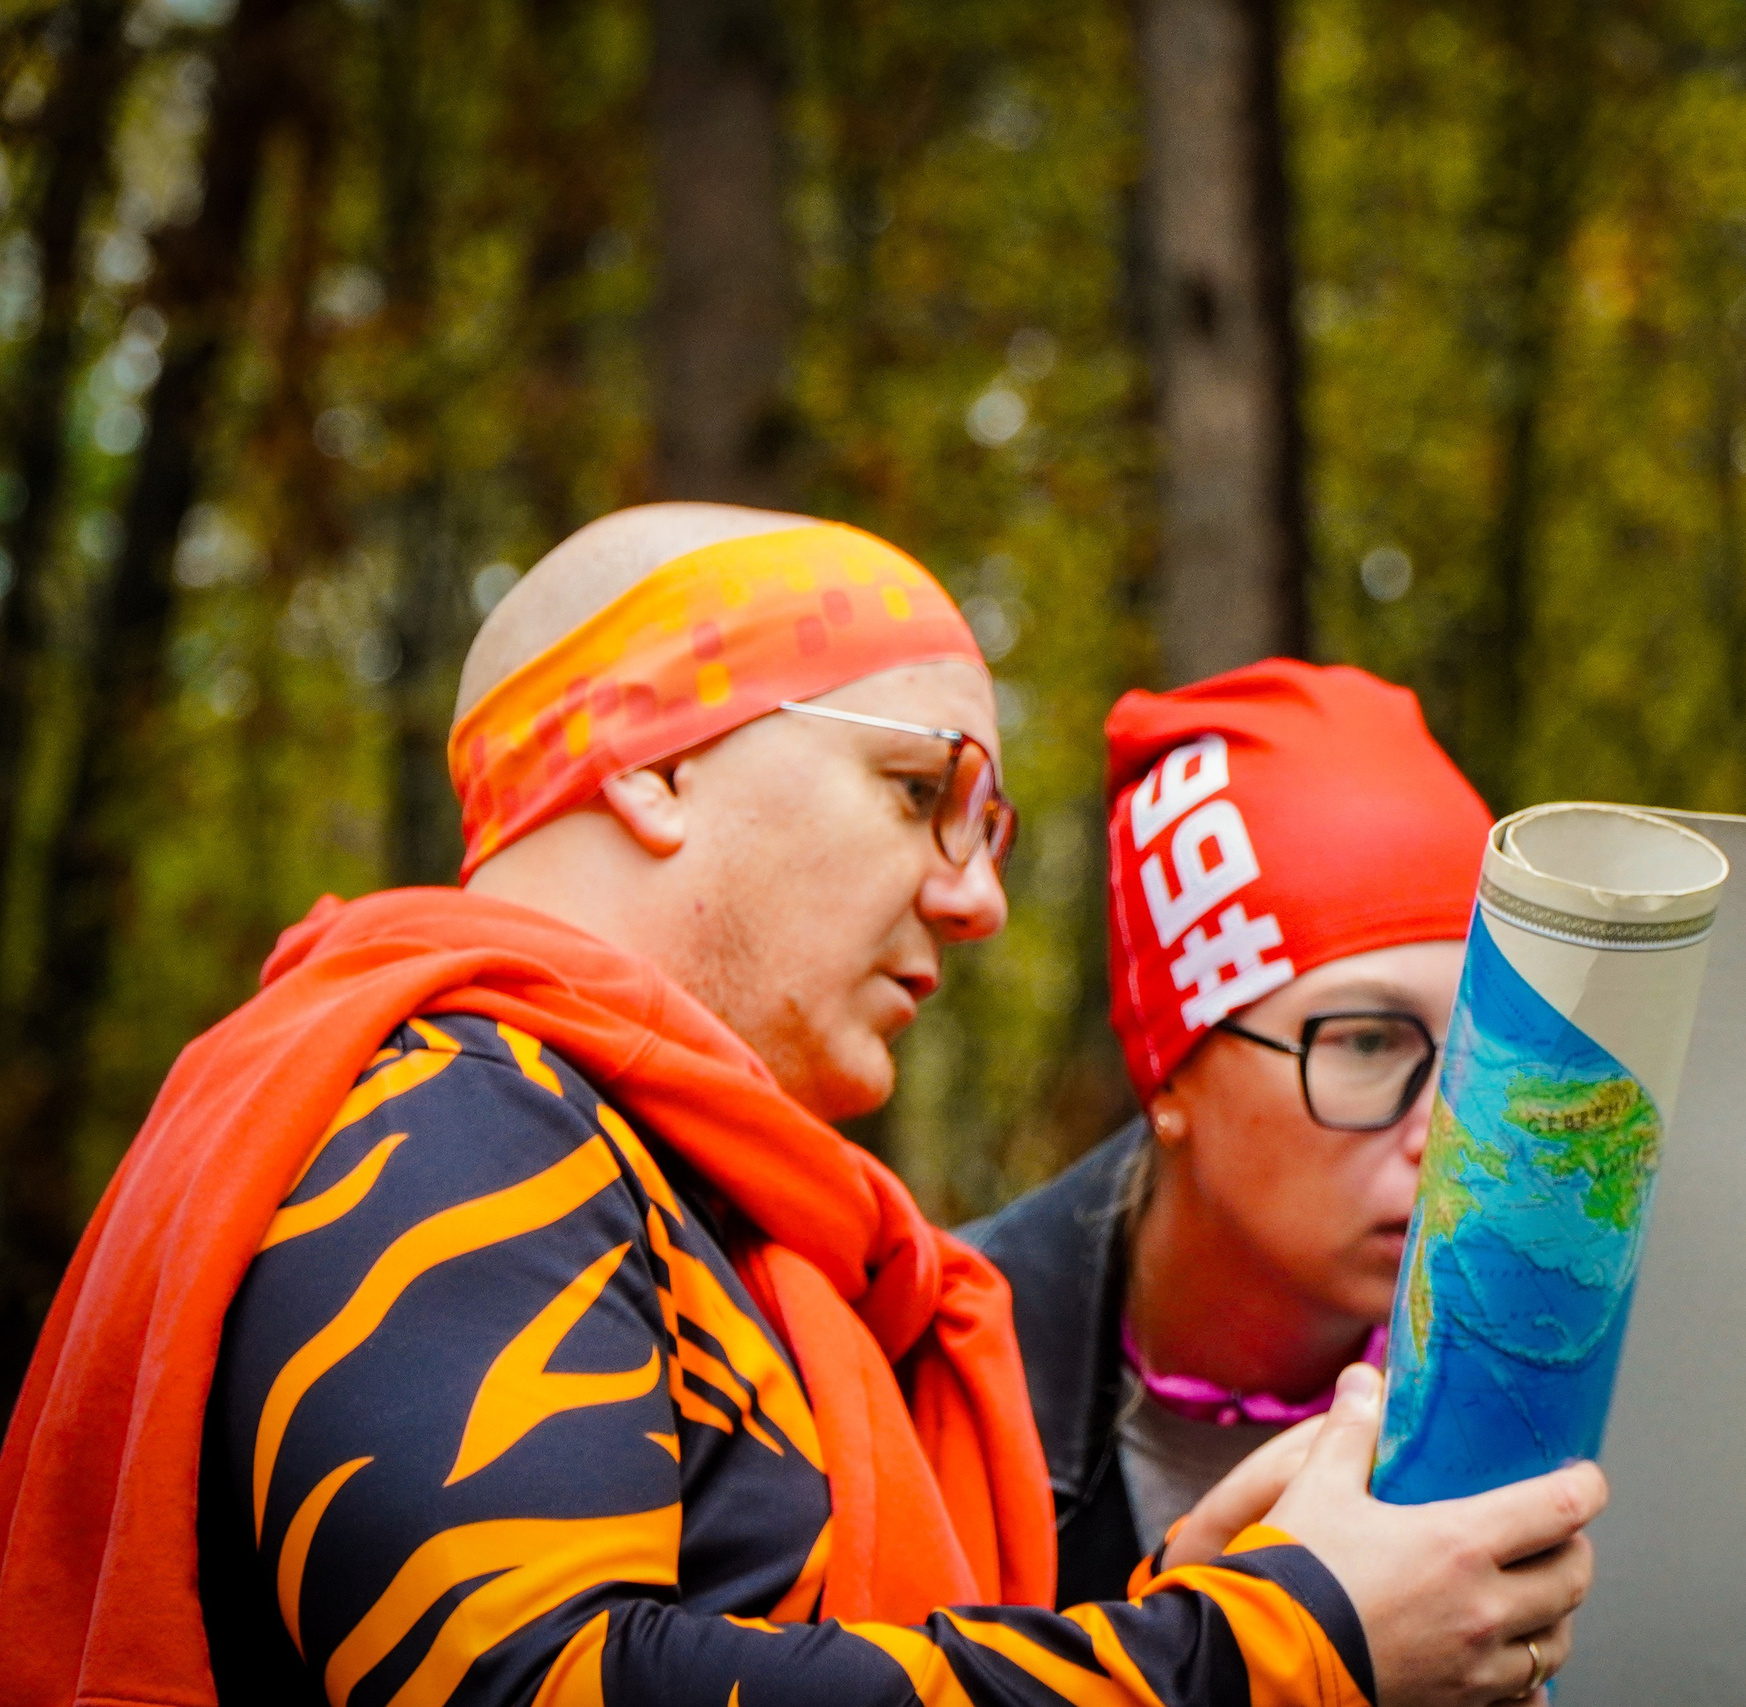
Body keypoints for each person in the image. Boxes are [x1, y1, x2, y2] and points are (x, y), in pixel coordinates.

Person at [0, 507, 1602, 1707]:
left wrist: (1211, 1596)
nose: (975, 897)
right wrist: (1278, 1641)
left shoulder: (729, 1219)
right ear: (650, 759)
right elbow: (542, 1684)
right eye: (922, 790)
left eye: (990, 823)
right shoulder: (453, 1109)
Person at [966, 661, 1495, 1608]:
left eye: (1481, 1060)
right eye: (1367, 1041)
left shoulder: (1544, 1363)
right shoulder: (932, 1378)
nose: (1445, 1133)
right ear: (1172, 1071)